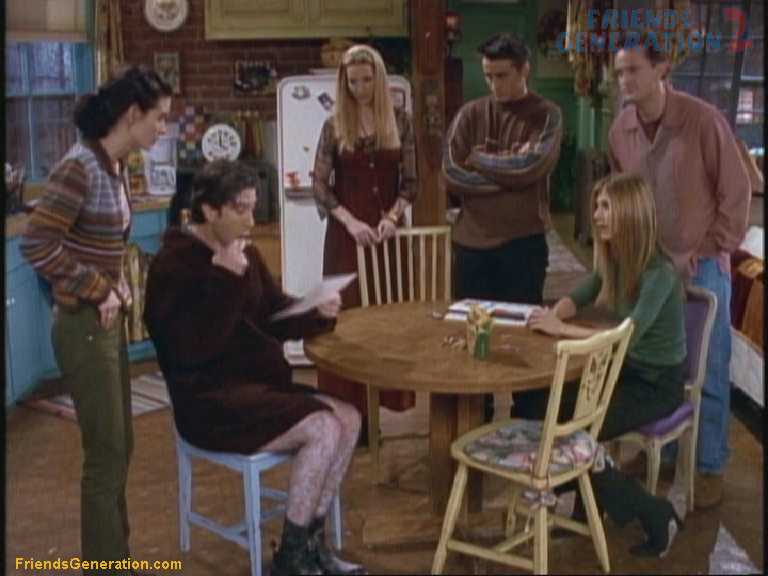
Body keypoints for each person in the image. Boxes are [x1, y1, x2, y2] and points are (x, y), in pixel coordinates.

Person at [143, 160, 364, 576]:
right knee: (323, 427)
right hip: (207, 402)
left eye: (253, 207)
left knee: (350, 418)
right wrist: (225, 280)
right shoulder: (173, 267)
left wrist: (316, 311)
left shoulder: (244, 254)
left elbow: (274, 316)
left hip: (257, 389)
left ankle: (310, 544)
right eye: (240, 209)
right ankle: (291, 559)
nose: (251, 220)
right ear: (210, 211)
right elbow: (191, 351)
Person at [20, 65, 172, 575]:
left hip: (102, 324)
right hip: (81, 326)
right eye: (159, 118)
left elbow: (100, 244)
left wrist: (116, 283)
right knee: (105, 456)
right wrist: (98, 286)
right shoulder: (80, 166)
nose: (163, 128)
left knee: (120, 446)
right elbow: (37, 243)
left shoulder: (113, 165)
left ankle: (116, 558)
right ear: (132, 114)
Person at [607, 35, 751, 509]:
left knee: (707, 369)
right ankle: (668, 452)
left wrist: (705, 250)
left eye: (633, 70)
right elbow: (625, 199)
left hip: (700, 267)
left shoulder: (702, 121)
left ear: (661, 69)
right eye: (619, 72)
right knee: (655, 363)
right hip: (650, 272)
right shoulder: (621, 130)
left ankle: (708, 466)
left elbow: (736, 194)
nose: (624, 80)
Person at [522, 173, 685, 557]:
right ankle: (585, 505)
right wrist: (552, 314)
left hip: (657, 385)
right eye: (596, 205)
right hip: (626, 371)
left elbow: (624, 337)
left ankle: (655, 512)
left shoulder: (659, 274)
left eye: (605, 206)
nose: (596, 214)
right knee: (546, 405)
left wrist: (560, 329)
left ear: (630, 212)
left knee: (575, 430)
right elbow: (579, 295)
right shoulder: (615, 261)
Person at [442, 32, 563, 420]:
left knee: (527, 339)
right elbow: (451, 173)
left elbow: (532, 165)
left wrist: (480, 159)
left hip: (522, 245)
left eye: (503, 75)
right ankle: (477, 422)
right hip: (471, 246)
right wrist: (509, 178)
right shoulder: (470, 114)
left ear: (524, 70)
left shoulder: (547, 114)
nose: (494, 85)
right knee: (475, 342)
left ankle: (528, 429)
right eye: (488, 76)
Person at [312, 44, 418, 432]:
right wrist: (349, 221)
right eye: (352, 82)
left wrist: (393, 217)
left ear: (379, 79)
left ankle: (379, 411)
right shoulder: (334, 124)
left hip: (387, 237)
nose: (359, 89)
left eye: (366, 80)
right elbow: (319, 185)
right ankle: (349, 419)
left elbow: (412, 183)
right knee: (347, 323)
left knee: (386, 321)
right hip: (346, 239)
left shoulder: (401, 122)